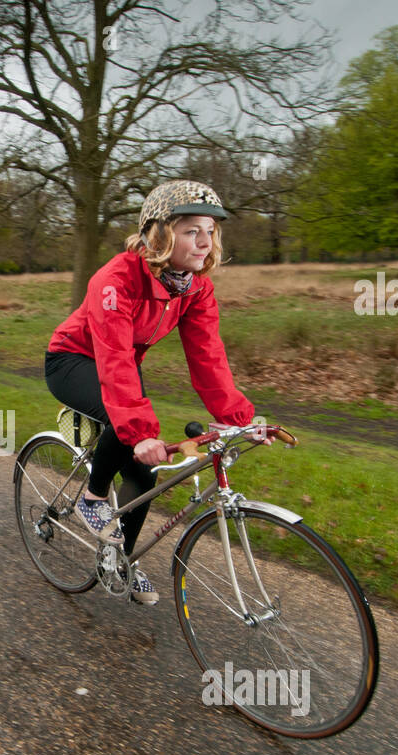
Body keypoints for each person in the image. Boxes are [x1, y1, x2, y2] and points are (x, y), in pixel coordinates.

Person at [44, 179, 267, 605]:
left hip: (122, 365)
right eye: (191, 231)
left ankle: (119, 559)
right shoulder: (115, 279)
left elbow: (208, 358)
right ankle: (92, 498)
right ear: (160, 234)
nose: (204, 242)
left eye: (210, 231)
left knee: (144, 471)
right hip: (72, 360)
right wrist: (139, 429)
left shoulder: (195, 286)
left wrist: (241, 420)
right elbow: (112, 358)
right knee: (127, 423)